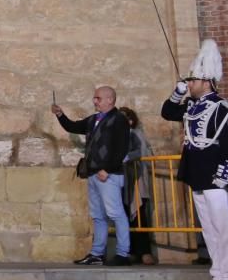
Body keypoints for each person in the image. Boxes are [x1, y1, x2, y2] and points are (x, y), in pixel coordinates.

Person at [162, 39, 228, 280]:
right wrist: (177, 92)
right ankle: (217, 275)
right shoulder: (190, 106)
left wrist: (225, 175)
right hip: (196, 173)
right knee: (208, 229)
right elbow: (167, 112)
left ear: (207, 80)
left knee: (223, 228)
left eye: (192, 81)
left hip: (216, 175)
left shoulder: (224, 109)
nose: (189, 85)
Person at [52, 86, 131, 266]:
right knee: (98, 215)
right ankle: (97, 254)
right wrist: (60, 115)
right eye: (94, 98)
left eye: (98, 98)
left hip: (108, 174)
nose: (94, 101)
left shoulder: (119, 119)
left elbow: (122, 148)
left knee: (116, 213)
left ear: (110, 99)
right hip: (94, 173)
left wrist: (108, 169)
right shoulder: (94, 119)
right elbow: (73, 126)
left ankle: (123, 253)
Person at [120, 107, 155, 265]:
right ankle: (133, 251)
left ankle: (145, 251)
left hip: (137, 179)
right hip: (123, 181)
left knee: (139, 215)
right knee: (126, 216)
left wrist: (126, 158)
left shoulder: (136, 134)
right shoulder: (118, 136)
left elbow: (142, 154)